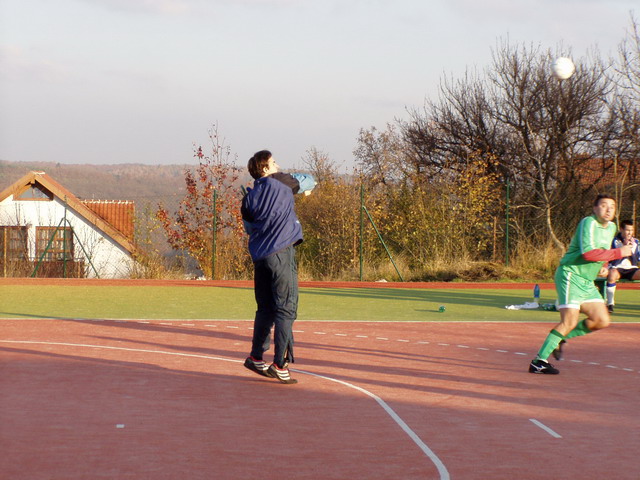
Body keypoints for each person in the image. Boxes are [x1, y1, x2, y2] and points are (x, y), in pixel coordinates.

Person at [529, 194, 634, 374]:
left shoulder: (612, 227)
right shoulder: (588, 222)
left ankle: (559, 339)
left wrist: (604, 266)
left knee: (601, 320)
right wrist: (620, 253)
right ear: (595, 208)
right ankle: (538, 362)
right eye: (604, 205)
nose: (608, 209)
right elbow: (588, 253)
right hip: (571, 274)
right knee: (569, 321)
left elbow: (603, 251)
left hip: (586, 281)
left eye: (612, 206)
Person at [241, 150, 315, 384]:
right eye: (273, 163)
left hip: (260, 256)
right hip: (281, 253)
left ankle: (256, 357)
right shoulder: (280, 181)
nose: (277, 165)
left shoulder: (248, 198)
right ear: (264, 168)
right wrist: (303, 189)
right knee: (286, 309)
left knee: (265, 309)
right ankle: (280, 364)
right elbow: (309, 180)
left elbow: (249, 228)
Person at [605, 220, 640, 313]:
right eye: (627, 230)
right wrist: (623, 249)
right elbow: (613, 260)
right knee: (612, 275)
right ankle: (610, 304)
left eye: (631, 230)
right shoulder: (613, 241)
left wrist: (630, 250)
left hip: (631, 269)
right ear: (621, 230)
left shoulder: (636, 242)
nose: (630, 233)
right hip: (616, 268)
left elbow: (635, 261)